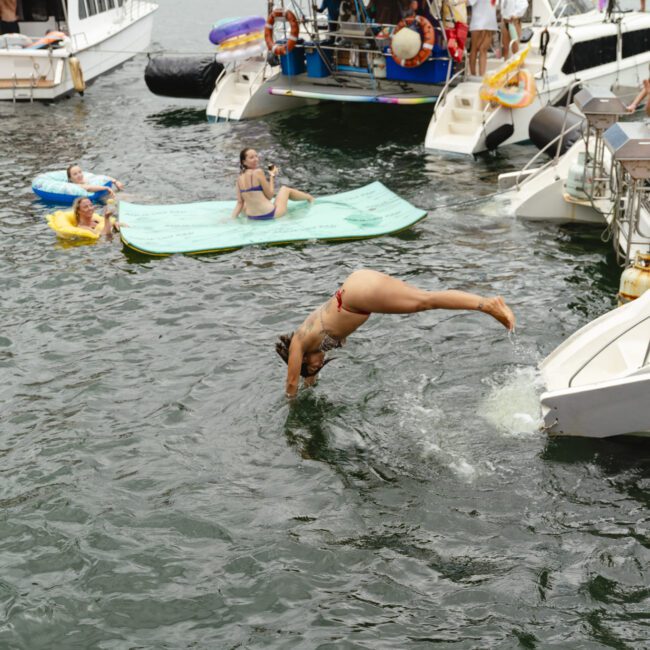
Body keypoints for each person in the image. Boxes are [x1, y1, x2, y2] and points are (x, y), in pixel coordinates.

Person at [276, 269, 516, 398]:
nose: (321, 364)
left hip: (357, 296)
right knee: (424, 298)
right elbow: (308, 379)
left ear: (304, 359)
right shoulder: (313, 341)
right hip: (357, 284)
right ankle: (488, 303)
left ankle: (487, 305)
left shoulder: (299, 342)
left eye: (316, 366)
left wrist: (292, 410)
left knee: (426, 301)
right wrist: (311, 387)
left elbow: (291, 382)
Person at [231, 148, 314, 220]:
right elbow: (270, 196)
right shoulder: (258, 172)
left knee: (247, 200)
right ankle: (310, 198)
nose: (256, 159)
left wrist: (232, 218)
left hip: (252, 217)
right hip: (270, 214)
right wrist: (272, 175)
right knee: (285, 189)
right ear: (244, 162)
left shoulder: (239, 179)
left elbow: (240, 203)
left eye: (256, 156)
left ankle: (309, 198)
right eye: (251, 157)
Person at [467, 0, 497, 76]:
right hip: (478, 22)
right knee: (474, 49)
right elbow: (469, 2)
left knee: (483, 50)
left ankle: (482, 75)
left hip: (490, 23)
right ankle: (473, 75)